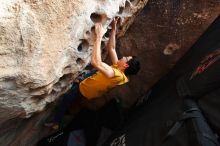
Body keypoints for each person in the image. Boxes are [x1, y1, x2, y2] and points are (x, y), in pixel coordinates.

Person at [45, 18, 141, 129]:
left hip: (84, 88)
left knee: (66, 99)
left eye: (126, 58)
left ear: (126, 65)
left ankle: (56, 122)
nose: (123, 57)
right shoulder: (121, 72)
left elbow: (96, 62)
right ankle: (70, 110)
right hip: (93, 85)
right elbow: (112, 48)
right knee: (95, 72)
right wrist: (114, 29)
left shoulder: (114, 74)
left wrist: (99, 36)